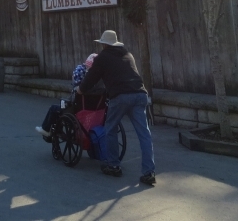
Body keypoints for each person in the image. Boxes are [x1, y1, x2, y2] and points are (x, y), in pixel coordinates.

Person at [78, 30, 155, 185]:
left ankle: (113, 165)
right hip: (140, 95)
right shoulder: (128, 55)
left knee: (110, 129)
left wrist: (81, 89)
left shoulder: (102, 58)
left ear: (104, 44)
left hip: (120, 96)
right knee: (144, 134)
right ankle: (149, 172)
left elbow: (91, 78)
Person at [35, 53, 97, 138]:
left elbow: (76, 88)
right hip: (97, 108)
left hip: (78, 108)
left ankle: (46, 129)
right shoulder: (100, 84)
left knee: (54, 108)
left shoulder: (80, 76)